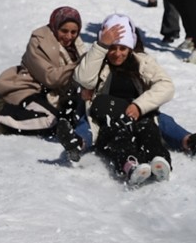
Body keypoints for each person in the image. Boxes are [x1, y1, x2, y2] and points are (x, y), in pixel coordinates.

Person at [0, 5, 91, 158]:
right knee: (50, 121)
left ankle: (7, 124)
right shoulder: (40, 42)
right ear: (55, 26)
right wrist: (81, 65)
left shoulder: (76, 45)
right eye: (64, 31)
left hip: (53, 94)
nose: (69, 36)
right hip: (29, 88)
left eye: (73, 32)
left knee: (64, 120)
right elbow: (50, 78)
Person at [74, 14, 175, 185]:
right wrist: (101, 46)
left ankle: (159, 161)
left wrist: (139, 105)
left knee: (149, 132)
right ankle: (130, 166)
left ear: (130, 48)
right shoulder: (96, 60)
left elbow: (166, 85)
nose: (117, 54)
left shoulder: (141, 62)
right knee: (117, 138)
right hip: (109, 119)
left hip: (138, 116)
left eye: (123, 48)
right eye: (112, 48)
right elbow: (83, 78)